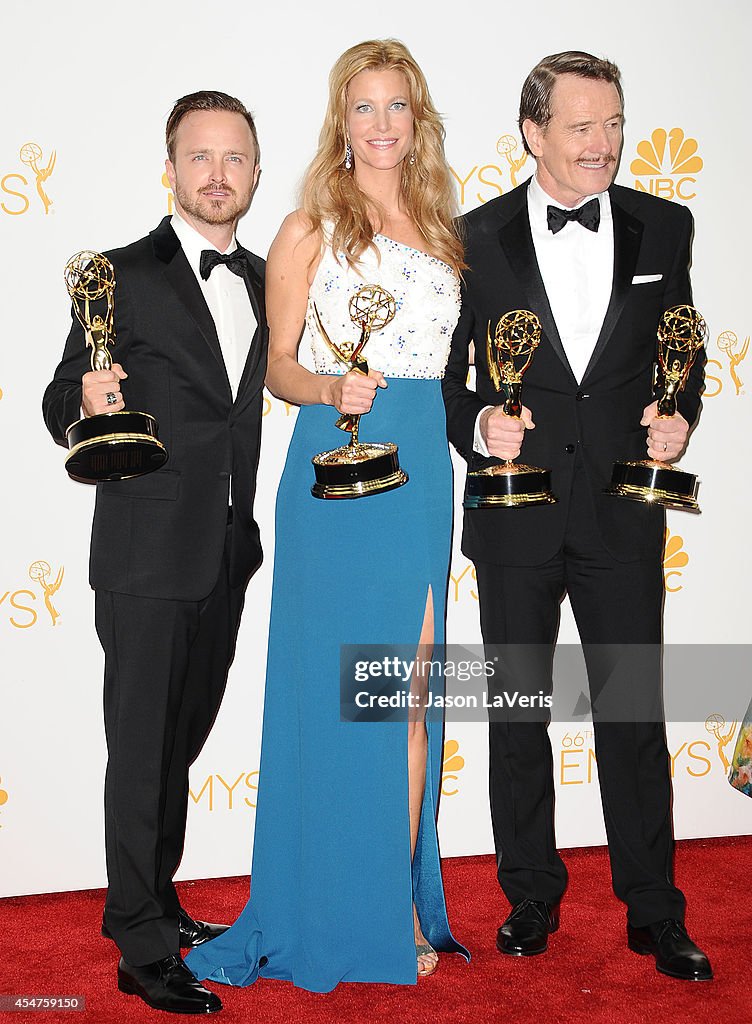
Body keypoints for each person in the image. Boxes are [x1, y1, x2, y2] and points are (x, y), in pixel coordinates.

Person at [186, 38, 469, 993]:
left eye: (397, 106)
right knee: (346, 699)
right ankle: (340, 912)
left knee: (412, 695)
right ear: (339, 123)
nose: (382, 124)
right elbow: (275, 368)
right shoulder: (310, 226)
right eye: (364, 107)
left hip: (424, 462)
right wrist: (332, 389)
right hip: (338, 468)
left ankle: (391, 896)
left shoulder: (444, 226)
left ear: (416, 118)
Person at [442, 51, 712, 981]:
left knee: (631, 718)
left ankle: (654, 910)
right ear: (534, 133)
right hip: (514, 517)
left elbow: (684, 353)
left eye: (614, 124)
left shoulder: (665, 226)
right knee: (519, 717)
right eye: (581, 127)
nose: (604, 145)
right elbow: (446, 382)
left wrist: (681, 416)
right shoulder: (469, 237)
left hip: (622, 516)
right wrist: (480, 422)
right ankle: (529, 897)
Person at [43, 90, 267, 1015]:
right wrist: (85, 403)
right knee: (139, 753)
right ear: (170, 169)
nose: (218, 175)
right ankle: (139, 946)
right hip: (142, 553)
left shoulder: (268, 276)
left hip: (227, 548)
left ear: (255, 169)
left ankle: (155, 901)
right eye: (199, 158)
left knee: (178, 742)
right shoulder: (119, 275)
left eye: (236, 158)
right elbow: (61, 395)